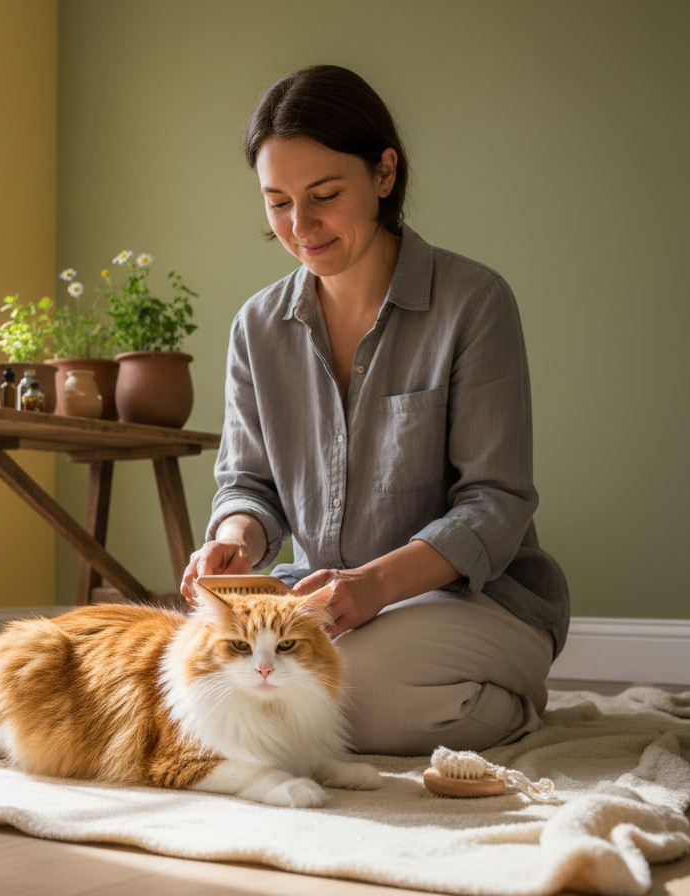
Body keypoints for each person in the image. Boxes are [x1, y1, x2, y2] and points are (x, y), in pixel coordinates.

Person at [180, 65, 569, 756]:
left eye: (325, 195)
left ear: (384, 173)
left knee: (355, 693)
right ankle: (434, 695)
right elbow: (248, 484)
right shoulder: (257, 327)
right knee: (202, 682)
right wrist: (235, 538)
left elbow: (496, 502)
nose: (300, 226)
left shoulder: (474, 302)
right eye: (277, 202)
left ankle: (510, 702)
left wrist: (376, 584)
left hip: (476, 601)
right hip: (323, 604)